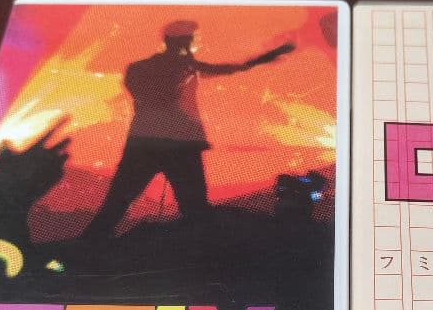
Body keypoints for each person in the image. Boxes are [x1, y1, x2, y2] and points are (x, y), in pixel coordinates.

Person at [83, 20, 294, 239]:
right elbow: (215, 73)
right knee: (194, 208)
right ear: (185, 42)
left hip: (144, 142)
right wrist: (259, 60)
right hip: (180, 144)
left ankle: (91, 243)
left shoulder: (140, 68)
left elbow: (144, 95)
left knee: (117, 202)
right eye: (189, 40)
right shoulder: (182, 68)